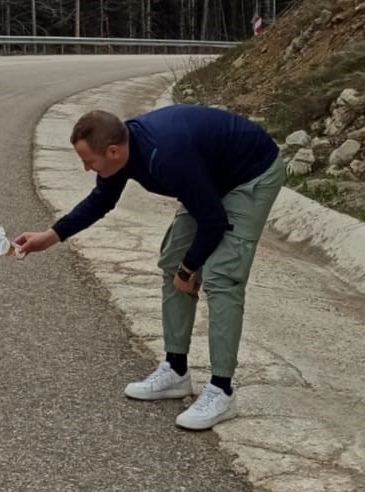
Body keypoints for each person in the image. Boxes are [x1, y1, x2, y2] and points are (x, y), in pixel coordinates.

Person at [14, 104, 285, 430]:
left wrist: (189, 270)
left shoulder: (167, 157)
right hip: (211, 174)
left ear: (112, 151)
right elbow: (101, 200)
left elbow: (213, 221)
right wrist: (50, 236)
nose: (86, 169)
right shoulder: (123, 149)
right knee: (172, 260)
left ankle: (222, 390)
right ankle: (176, 370)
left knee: (221, 277)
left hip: (252, 173)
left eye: (89, 161)